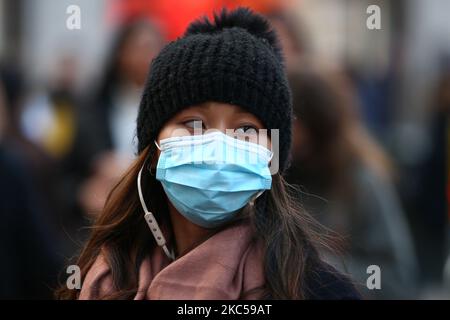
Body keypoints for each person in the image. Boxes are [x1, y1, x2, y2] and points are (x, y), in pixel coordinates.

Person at [57, 7, 359, 300]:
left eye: (245, 129)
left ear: (272, 157)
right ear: (154, 150)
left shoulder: (316, 290)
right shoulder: (104, 282)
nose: (218, 144)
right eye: (194, 123)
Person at [286, 69, 419, 298]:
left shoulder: (361, 182)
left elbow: (397, 279)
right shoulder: (274, 176)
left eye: (293, 122)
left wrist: (322, 265)